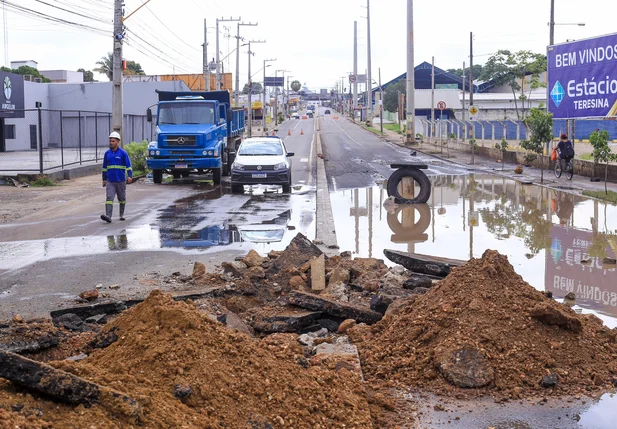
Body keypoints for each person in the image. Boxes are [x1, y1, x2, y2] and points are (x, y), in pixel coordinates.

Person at [101, 132, 132, 223]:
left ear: (117, 142)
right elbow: (104, 167)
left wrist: (129, 176)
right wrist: (104, 179)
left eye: (113, 141)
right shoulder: (107, 154)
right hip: (110, 181)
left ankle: (121, 214)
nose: (111, 142)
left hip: (121, 180)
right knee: (109, 198)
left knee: (122, 198)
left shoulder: (123, 153)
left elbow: (128, 166)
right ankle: (108, 216)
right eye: (110, 141)